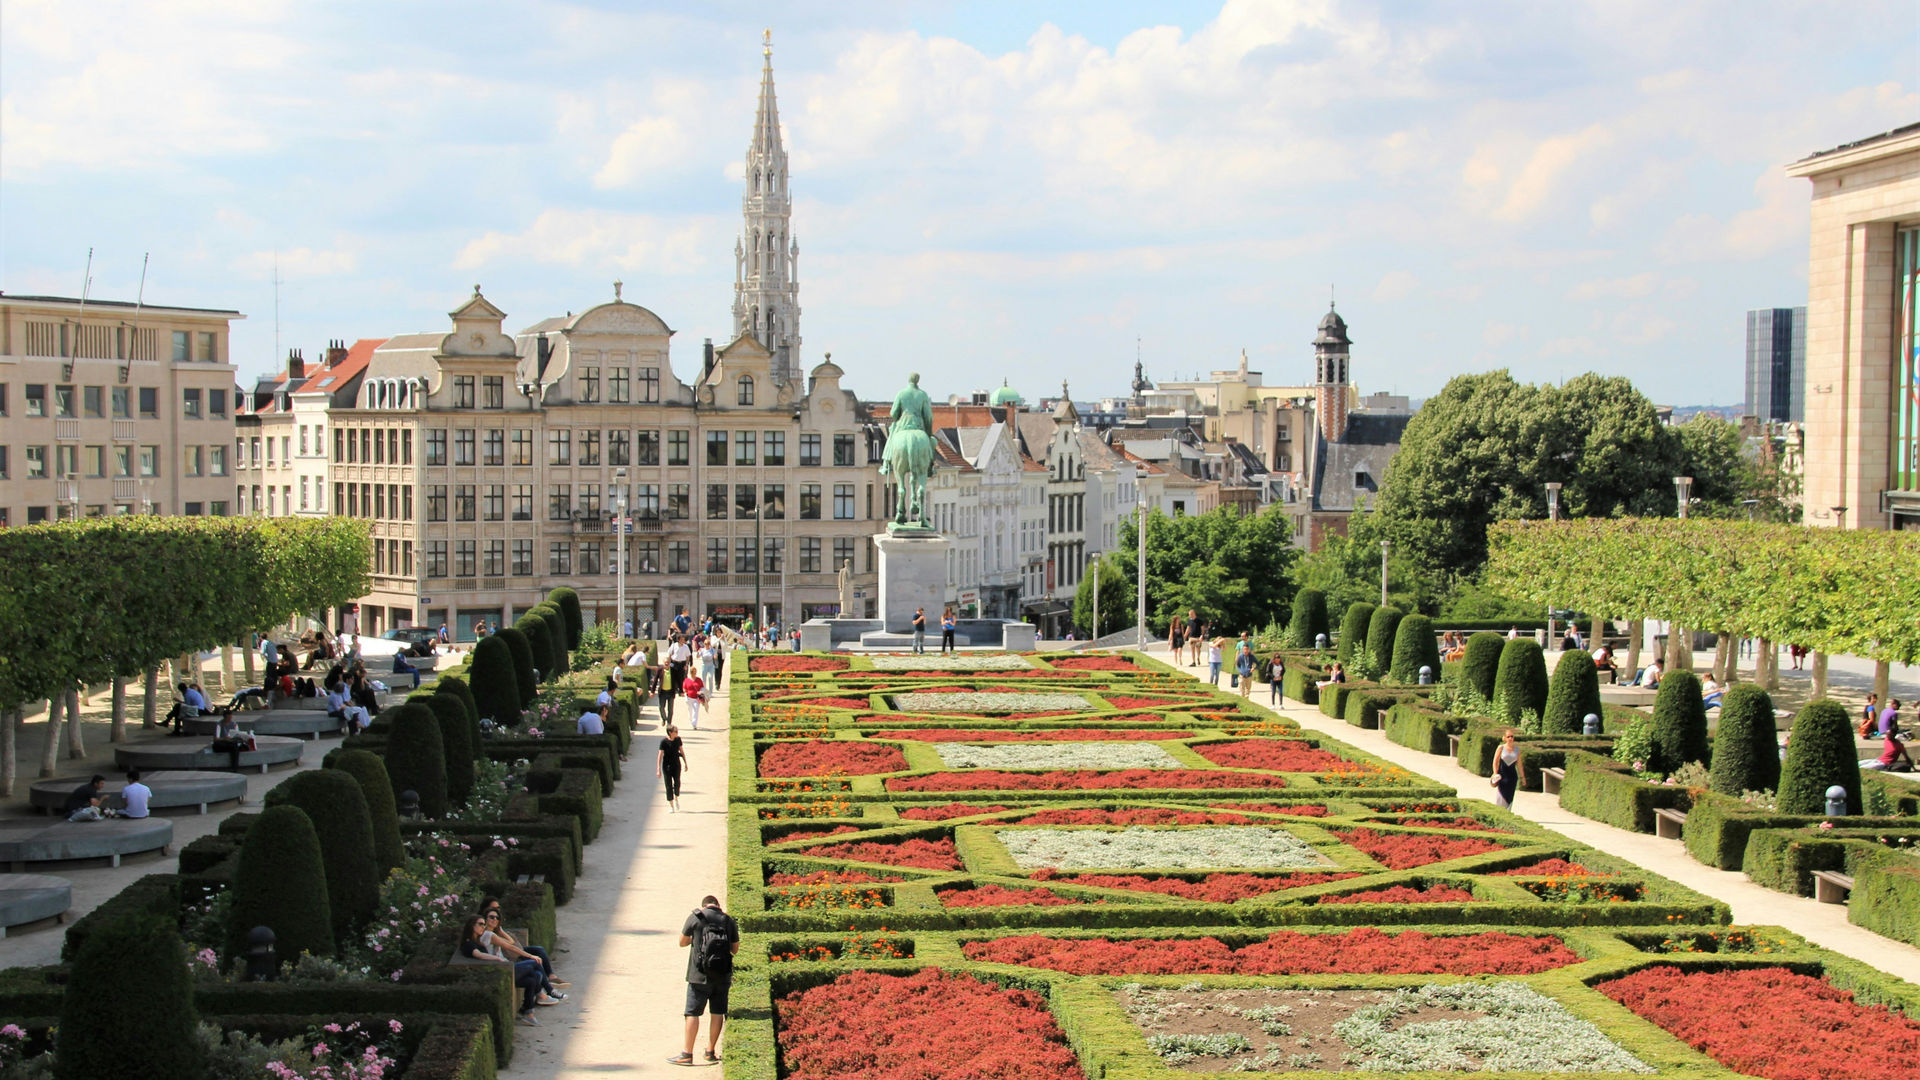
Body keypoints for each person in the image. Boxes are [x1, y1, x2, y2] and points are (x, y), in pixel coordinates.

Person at [673, 894, 739, 1066]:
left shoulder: (696, 917)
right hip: (722, 975)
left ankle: (687, 1054)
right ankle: (710, 1052)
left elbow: (682, 942)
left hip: (698, 975)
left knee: (692, 1013)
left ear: (704, 906)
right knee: (717, 1012)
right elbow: (735, 949)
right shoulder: (728, 920)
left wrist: (696, 938)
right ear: (718, 905)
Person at [459, 914, 553, 1026]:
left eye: (484, 924)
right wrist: (496, 958)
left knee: (535, 977)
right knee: (534, 962)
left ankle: (527, 1011)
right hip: (501, 969)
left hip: (503, 967)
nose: (483, 927)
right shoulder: (468, 943)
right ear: (471, 925)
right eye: (480, 924)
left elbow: (510, 944)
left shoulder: (478, 940)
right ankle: (549, 990)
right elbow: (478, 954)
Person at [480, 900, 568, 990]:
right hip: (509, 955)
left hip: (513, 952)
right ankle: (549, 988)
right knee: (534, 963)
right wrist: (530, 956)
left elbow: (511, 942)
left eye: (498, 909)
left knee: (538, 951)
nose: (495, 918)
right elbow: (510, 946)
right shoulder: (488, 933)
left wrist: (500, 930)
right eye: (492, 916)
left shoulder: (495, 927)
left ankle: (550, 979)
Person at [658, 724, 688, 812]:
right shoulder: (664, 742)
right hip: (667, 766)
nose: (677, 733)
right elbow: (660, 755)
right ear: (670, 732)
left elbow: (682, 751)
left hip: (676, 765)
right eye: (676, 731)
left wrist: (685, 763)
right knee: (668, 785)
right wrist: (658, 768)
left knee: (677, 782)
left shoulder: (678, 740)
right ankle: (671, 806)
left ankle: (676, 797)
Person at [1491, 728, 1522, 808]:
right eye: (1508, 737)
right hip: (1502, 776)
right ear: (1504, 738)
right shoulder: (1501, 748)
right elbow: (1495, 762)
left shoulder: (1517, 750)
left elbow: (1519, 764)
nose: (1510, 738)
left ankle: (1508, 811)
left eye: (1512, 736)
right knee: (1501, 796)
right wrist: (1495, 773)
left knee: (1510, 797)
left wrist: (1523, 777)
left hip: (1512, 777)